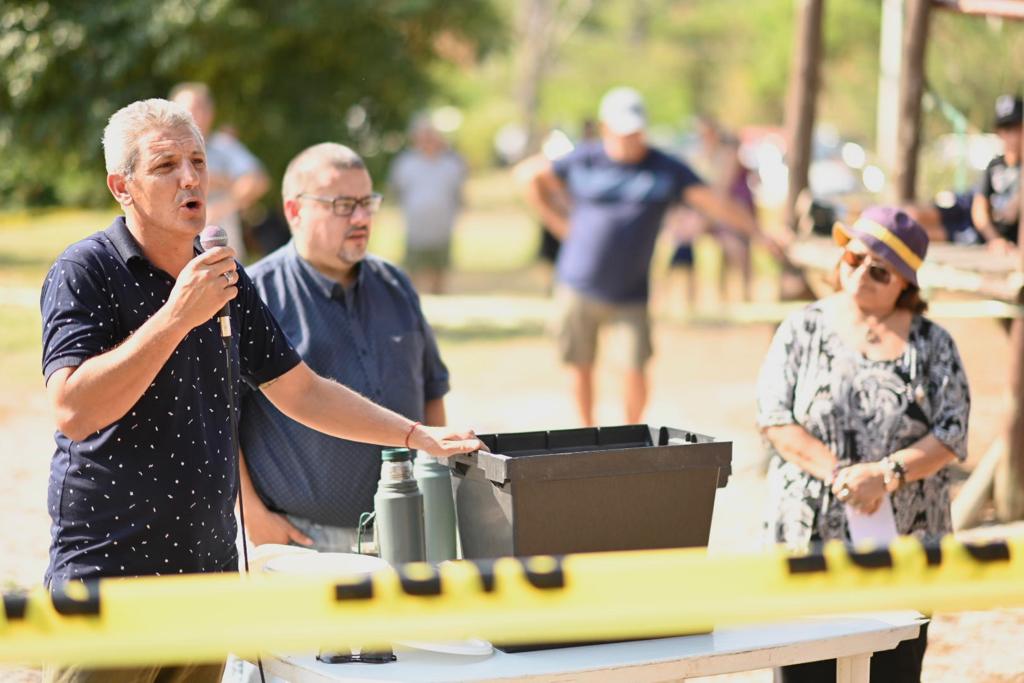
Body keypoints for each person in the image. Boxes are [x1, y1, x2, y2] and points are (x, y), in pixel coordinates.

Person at [39, 98, 482, 683]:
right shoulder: (85, 271)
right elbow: (72, 410)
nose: (192, 177)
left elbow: (302, 392)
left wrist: (412, 433)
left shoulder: (224, 273)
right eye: (166, 165)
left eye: (197, 160)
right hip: (111, 580)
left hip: (209, 580)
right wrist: (176, 316)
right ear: (122, 186)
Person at [756, 206, 970, 682]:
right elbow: (774, 418)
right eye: (853, 259)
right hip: (809, 542)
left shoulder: (934, 345)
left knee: (893, 672)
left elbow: (952, 433)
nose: (860, 276)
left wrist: (885, 475)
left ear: (906, 285)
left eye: (879, 271)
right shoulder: (801, 330)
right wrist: (841, 474)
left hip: (906, 547)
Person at [518, 86, 780, 426]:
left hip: (631, 291)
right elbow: (528, 176)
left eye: (636, 132)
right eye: (622, 132)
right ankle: (584, 435)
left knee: (633, 368)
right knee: (580, 365)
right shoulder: (584, 159)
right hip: (578, 283)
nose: (630, 140)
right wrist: (557, 222)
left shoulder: (666, 169)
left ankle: (629, 438)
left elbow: (715, 203)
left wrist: (759, 233)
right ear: (605, 128)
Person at [235, 143, 450, 552]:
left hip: (407, 527)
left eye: (368, 202)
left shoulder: (396, 285)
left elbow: (432, 390)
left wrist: (435, 489)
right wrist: (251, 515)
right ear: (294, 211)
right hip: (302, 541)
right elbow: (219, 423)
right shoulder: (254, 296)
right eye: (343, 204)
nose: (362, 218)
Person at [170, 82, 270, 262]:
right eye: (191, 108)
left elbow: (258, 181)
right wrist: (224, 182)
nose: (197, 115)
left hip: (224, 254)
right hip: (175, 254)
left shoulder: (224, 146)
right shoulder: (161, 149)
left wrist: (223, 205)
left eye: (203, 108)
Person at [388, 115, 467, 294]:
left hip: (442, 226)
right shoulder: (405, 163)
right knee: (413, 269)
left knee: (440, 268)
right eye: (424, 135)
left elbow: (459, 193)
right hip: (416, 227)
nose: (428, 139)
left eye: (432, 134)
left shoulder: (452, 163)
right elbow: (397, 191)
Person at [972, 94, 1022, 255]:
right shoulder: (994, 166)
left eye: (1016, 127)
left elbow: (1013, 212)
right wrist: (994, 239)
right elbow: (979, 210)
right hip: (993, 237)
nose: (1011, 135)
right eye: (1006, 129)